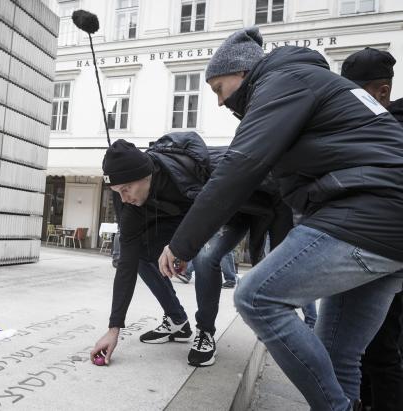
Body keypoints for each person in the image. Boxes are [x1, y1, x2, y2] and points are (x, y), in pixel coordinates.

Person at [157, 27, 403, 411]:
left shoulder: (283, 81)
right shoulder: (305, 82)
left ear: (242, 74)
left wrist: (182, 243)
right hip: (383, 222)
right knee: (338, 356)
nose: (221, 103)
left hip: (372, 209)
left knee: (256, 296)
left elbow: (241, 166)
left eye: (219, 89)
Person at [90, 133, 291, 368]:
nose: (124, 198)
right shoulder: (129, 203)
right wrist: (114, 328)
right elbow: (126, 264)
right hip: (184, 218)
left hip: (229, 210)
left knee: (206, 256)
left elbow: (258, 184)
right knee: (141, 257)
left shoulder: (188, 171)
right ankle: (176, 320)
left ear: (147, 175)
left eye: (127, 189)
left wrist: (182, 248)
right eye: (117, 192)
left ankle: (205, 331)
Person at [341, 47, 403, 411]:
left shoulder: (390, 128)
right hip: (371, 247)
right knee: (367, 348)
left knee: (382, 350)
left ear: (380, 92)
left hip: (389, 251)